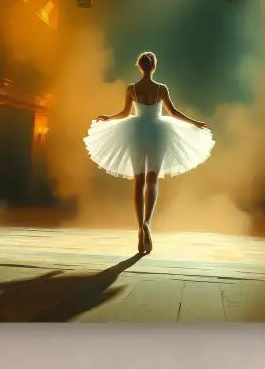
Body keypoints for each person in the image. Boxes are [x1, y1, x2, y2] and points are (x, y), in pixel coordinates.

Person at [83, 51, 214, 254]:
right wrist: (195, 123)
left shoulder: (132, 89)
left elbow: (125, 113)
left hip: (136, 132)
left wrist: (108, 118)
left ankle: (139, 228)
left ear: (139, 66)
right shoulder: (161, 88)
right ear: (153, 67)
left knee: (138, 180)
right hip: (157, 132)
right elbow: (174, 112)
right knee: (153, 180)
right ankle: (148, 222)